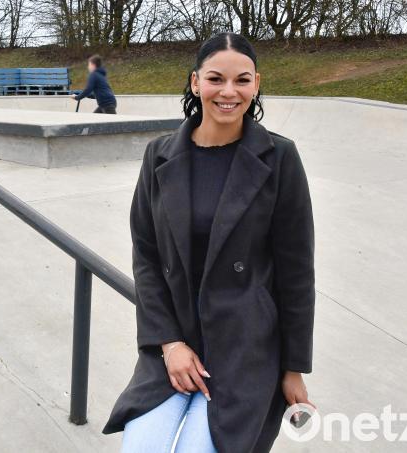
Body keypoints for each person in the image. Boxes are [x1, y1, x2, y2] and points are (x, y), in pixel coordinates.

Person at [100, 32, 317, 452]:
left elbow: (296, 273)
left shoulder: (280, 158)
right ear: (196, 81)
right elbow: (147, 257)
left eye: (242, 80)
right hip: (174, 340)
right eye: (216, 79)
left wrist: (293, 368)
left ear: (256, 84)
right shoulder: (159, 155)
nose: (229, 92)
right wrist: (169, 344)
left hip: (246, 347)